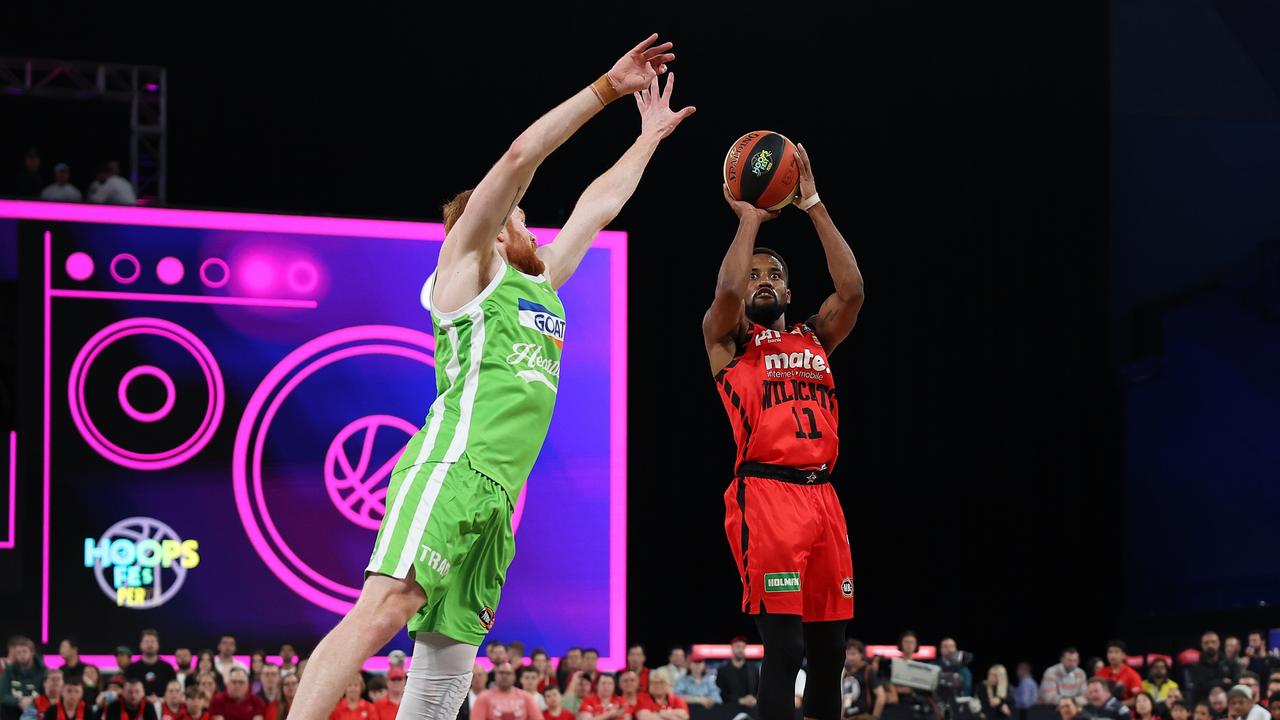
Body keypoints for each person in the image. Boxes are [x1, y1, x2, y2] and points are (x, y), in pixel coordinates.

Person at [289, 34, 689, 720]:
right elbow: (519, 157)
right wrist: (605, 90)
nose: (536, 229)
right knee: (385, 605)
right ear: (501, 229)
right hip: (453, 465)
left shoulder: (542, 288)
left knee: (447, 665)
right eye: (525, 219)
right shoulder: (466, 274)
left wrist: (648, 136)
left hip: (500, 495)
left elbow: (599, 204)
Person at [705, 138, 864, 720]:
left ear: (790, 292)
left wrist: (813, 203)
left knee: (830, 654)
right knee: (787, 648)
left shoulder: (815, 335)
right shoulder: (728, 342)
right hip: (766, 496)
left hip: (824, 498)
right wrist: (748, 219)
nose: (763, 279)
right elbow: (725, 292)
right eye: (755, 275)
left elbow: (853, 292)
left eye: (774, 274)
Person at [472, 664, 541, 720]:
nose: (504, 676)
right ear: (495, 676)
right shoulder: (483, 697)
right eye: (501, 673)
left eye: (508, 673)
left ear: (514, 677)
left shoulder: (526, 697)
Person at [1, 636, 46, 720]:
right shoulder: (9, 670)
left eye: (24, 652)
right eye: (18, 653)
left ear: (32, 652)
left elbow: (48, 695)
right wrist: (19, 701)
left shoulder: (43, 671)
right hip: (13, 710)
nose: (21, 655)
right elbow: (3, 695)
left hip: (36, 709)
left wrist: (32, 701)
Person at [128, 631, 178, 702]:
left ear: (158, 645)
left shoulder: (167, 668)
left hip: (164, 705)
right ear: (141, 645)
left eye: (153, 642)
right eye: (146, 642)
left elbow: (175, 690)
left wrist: (160, 700)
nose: (150, 645)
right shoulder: (132, 668)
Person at [714, 638, 759, 714]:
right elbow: (720, 692)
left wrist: (754, 698)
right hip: (729, 710)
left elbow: (759, 689)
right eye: (738, 647)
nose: (740, 650)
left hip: (751, 710)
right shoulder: (723, 670)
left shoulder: (754, 669)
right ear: (732, 648)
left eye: (743, 647)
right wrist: (739, 700)